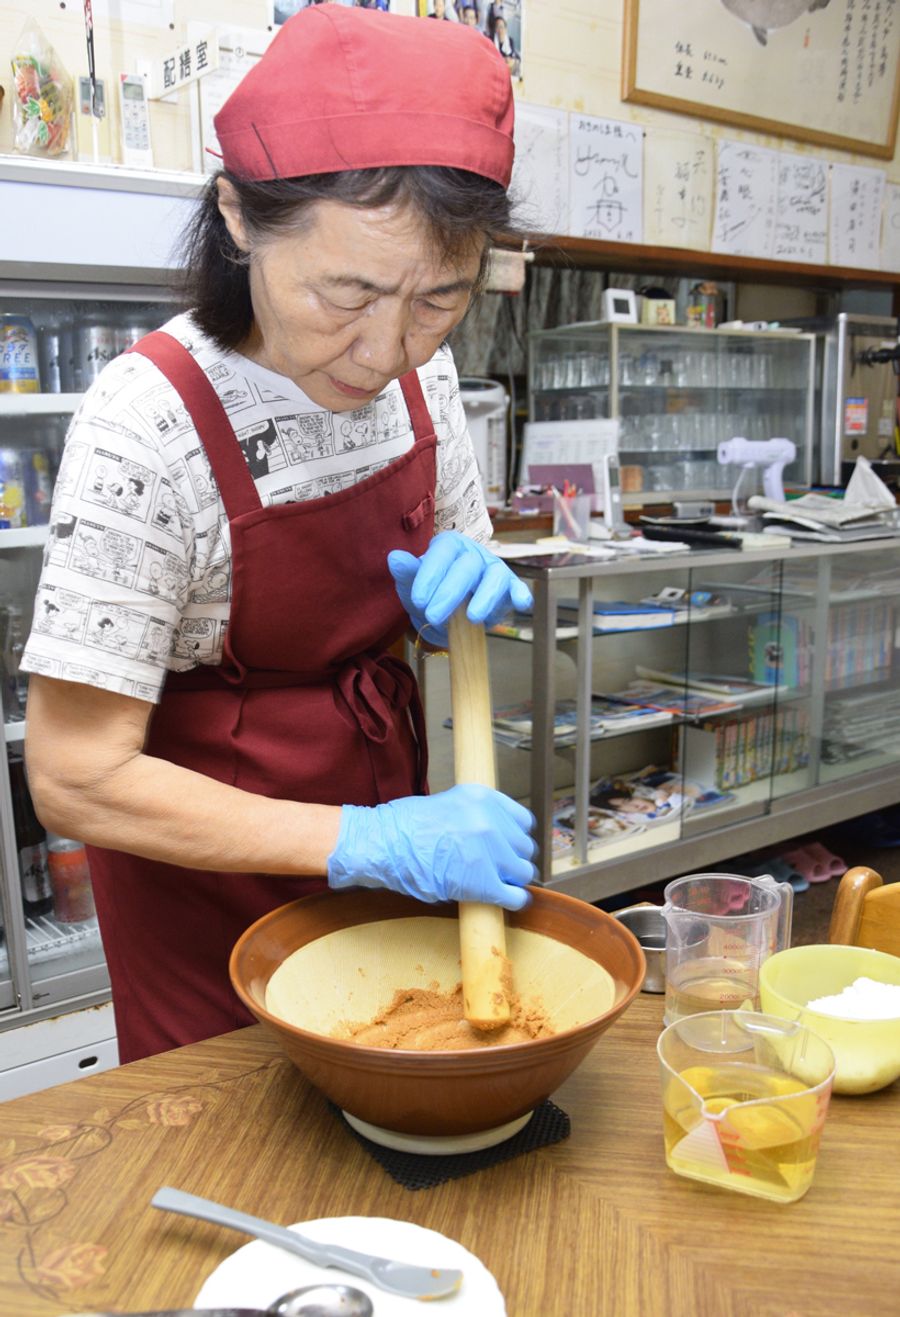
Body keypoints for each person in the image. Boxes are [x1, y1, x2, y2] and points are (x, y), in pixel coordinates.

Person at [22, 5, 536, 1064]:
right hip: (207, 886)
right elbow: (73, 776)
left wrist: (467, 588)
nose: (387, 349)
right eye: (345, 292)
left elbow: (450, 573)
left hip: (391, 828)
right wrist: (368, 841)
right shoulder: (146, 425)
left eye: (441, 297)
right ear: (241, 217)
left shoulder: (423, 372)